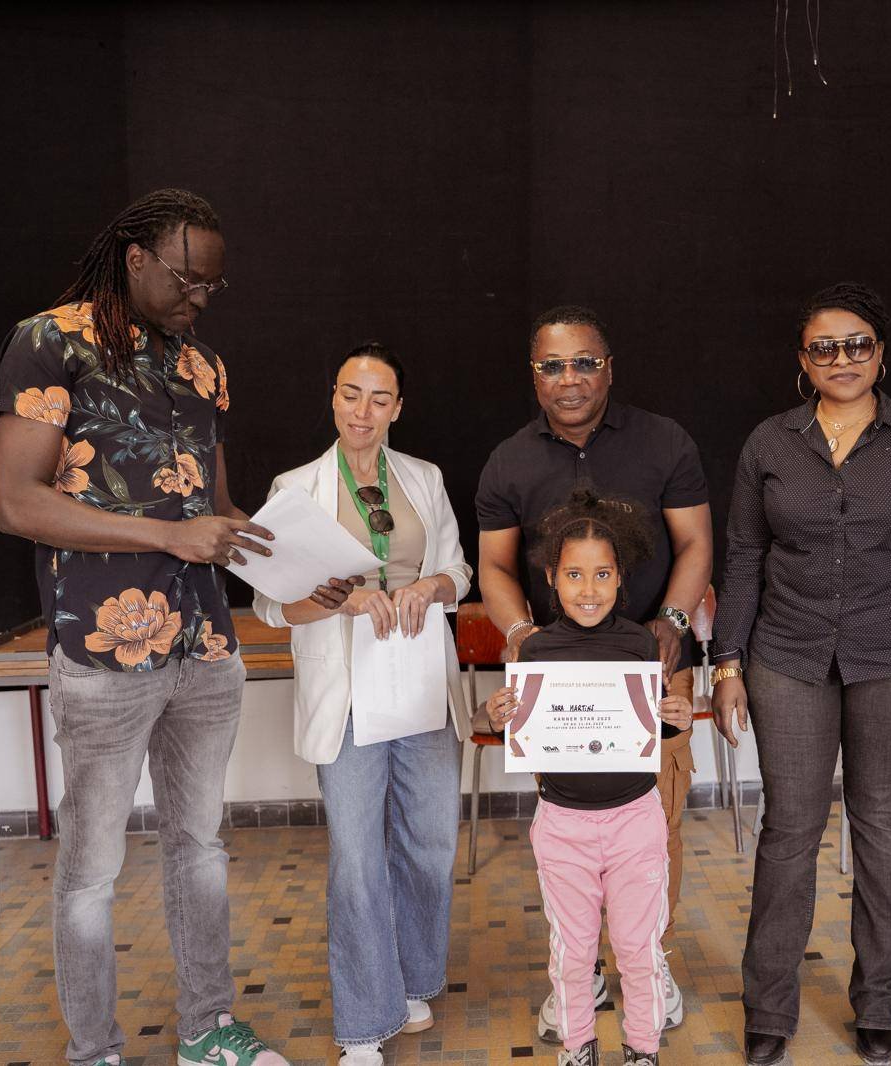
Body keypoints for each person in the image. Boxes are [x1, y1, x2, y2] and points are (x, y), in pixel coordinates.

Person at [0, 189, 287, 1066]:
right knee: (92, 869)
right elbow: (16, 503)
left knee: (201, 848)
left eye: (212, 285)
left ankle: (207, 1030)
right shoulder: (51, 342)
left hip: (206, 648)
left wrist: (302, 567)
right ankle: (95, 1050)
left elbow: (216, 512)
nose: (200, 297)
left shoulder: (204, 367)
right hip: (103, 652)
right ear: (136, 258)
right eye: (187, 278)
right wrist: (168, 535)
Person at [710, 282, 891, 1066]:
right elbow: (744, 557)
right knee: (789, 830)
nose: (843, 359)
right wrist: (726, 662)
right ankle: (769, 1009)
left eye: (858, 343)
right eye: (824, 347)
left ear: (881, 353)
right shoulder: (770, 443)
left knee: (882, 823)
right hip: (787, 656)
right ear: (803, 360)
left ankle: (879, 1000)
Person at [475, 305, 712, 1041]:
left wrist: (672, 623)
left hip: (652, 669)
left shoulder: (664, 441)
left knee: (655, 826)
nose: (569, 378)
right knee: (575, 829)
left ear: (609, 368)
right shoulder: (509, 461)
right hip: (558, 682)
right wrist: (522, 636)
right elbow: (493, 567)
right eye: (553, 365)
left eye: (584, 362)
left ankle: (646, 961)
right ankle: (582, 975)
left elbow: (696, 545)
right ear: (534, 375)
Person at [250, 343, 471, 1065]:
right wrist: (341, 601)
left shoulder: (425, 478)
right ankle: (362, 1025)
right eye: (351, 394)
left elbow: (459, 571)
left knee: (430, 845)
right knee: (356, 857)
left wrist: (429, 587)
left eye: (379, 399)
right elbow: (272, 606)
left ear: (398, 408)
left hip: (421, 684)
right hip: (345, 695)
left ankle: (409, 979)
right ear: (333, 398)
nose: (363, 411)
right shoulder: (296, 487)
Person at [485, 489, 695, 1066]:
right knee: (573, 953)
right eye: (574, 575)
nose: (588, 589)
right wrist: (498, 717)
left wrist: (675, 719)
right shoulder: (536, 652)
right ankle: (578, 1048)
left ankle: (643, 1050)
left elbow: (651, 726)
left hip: (635, 822)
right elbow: (524, 733)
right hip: (562, 825)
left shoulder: (640, 643)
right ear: (551, 578)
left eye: (602, 574)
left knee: (639, 949)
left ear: (620, 576)